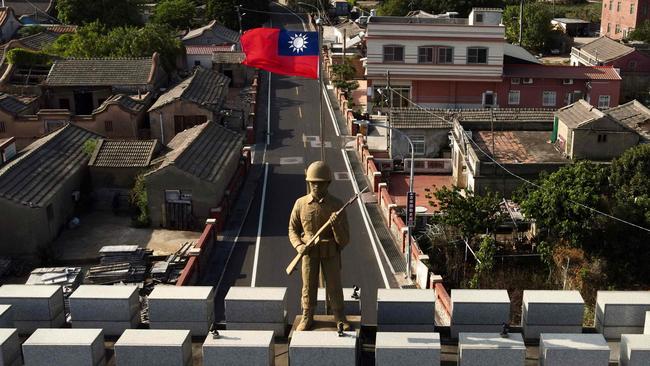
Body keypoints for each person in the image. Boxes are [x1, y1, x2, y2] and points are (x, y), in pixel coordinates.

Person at [288, 161, 350, 331]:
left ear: (328, 183)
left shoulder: (337, 205)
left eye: (320, 182)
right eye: (313, 182)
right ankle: (307, 315)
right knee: (308, 285)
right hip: (309, 252)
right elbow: (292, 229)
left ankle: (339, 314)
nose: (316, 186)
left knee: (334, 285)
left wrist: (336, 225)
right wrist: (299, 246)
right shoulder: (300, 204)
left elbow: (345, 240)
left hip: (330, 252)